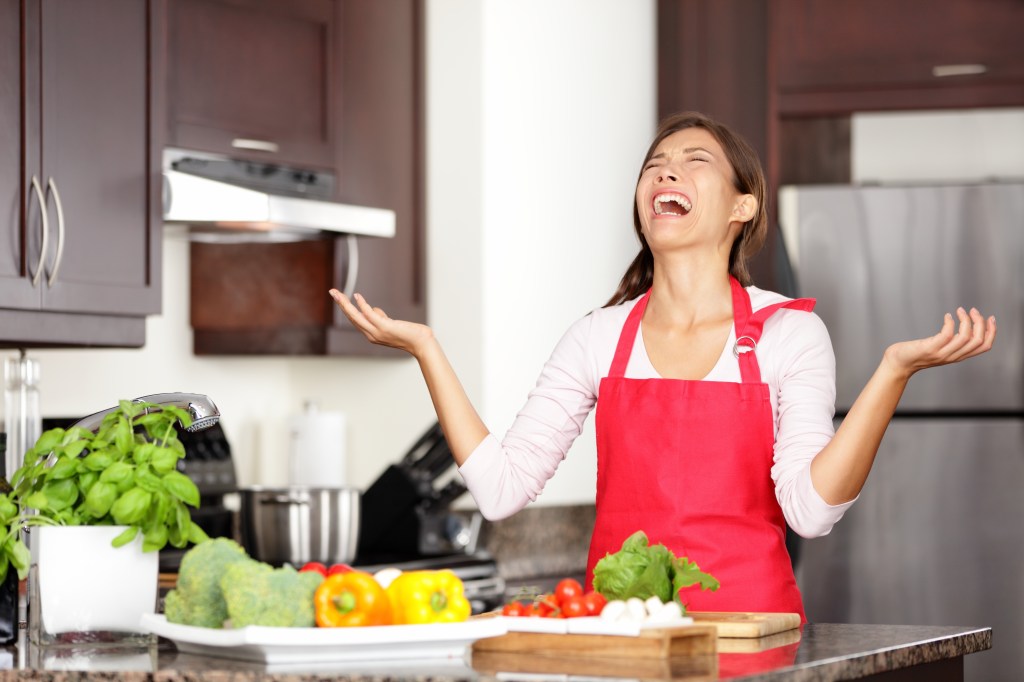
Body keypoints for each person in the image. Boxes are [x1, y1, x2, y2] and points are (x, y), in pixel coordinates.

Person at [329, 111, 996, 620]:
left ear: (743, 207)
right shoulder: (598, 337)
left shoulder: (787, 333)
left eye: (694, 160)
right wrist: (428, 351)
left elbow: (812, 511)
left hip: (750, 635)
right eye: (656, 164)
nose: (666, 172)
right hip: (624, 639)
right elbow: (502, 491)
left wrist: (891, 374)